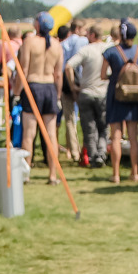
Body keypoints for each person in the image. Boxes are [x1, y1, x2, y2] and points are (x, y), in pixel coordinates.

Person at [16, 11, 64, 184]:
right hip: (50, 87)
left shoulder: (29, 41)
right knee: (51, 134)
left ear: (37, 25)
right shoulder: (57, 45)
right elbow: (59, 74)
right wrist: (57, 95)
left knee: (29, 133)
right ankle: (52, 175)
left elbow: (24, 69)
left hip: (33, 86)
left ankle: (26, 174)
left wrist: (16, 92)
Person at [100, 19, 138, 183]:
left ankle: (116, 174)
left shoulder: (111, 52)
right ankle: (135, 172)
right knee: (133, 137)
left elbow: (102, 74)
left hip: (116, 94)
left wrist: (114, 77)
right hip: (134, 98)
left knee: (116, 136)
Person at [66, 24, 110, 167]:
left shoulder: (86, 50)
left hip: (86, 92)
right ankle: (102, 153)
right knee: (103, 127)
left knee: (89, 128)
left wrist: (73, 86)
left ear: (92, 35)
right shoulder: (108, 49)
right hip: (103, 93)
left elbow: (68, 66)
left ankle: (92, 156)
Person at [58, 21, 86, 161]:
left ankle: (73, 151)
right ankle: (84, 150)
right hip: (79, 82)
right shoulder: (82, 42)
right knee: (85, 117)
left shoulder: (63, 44)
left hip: (65, 83)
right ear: (78, 28)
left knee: (69, 119)